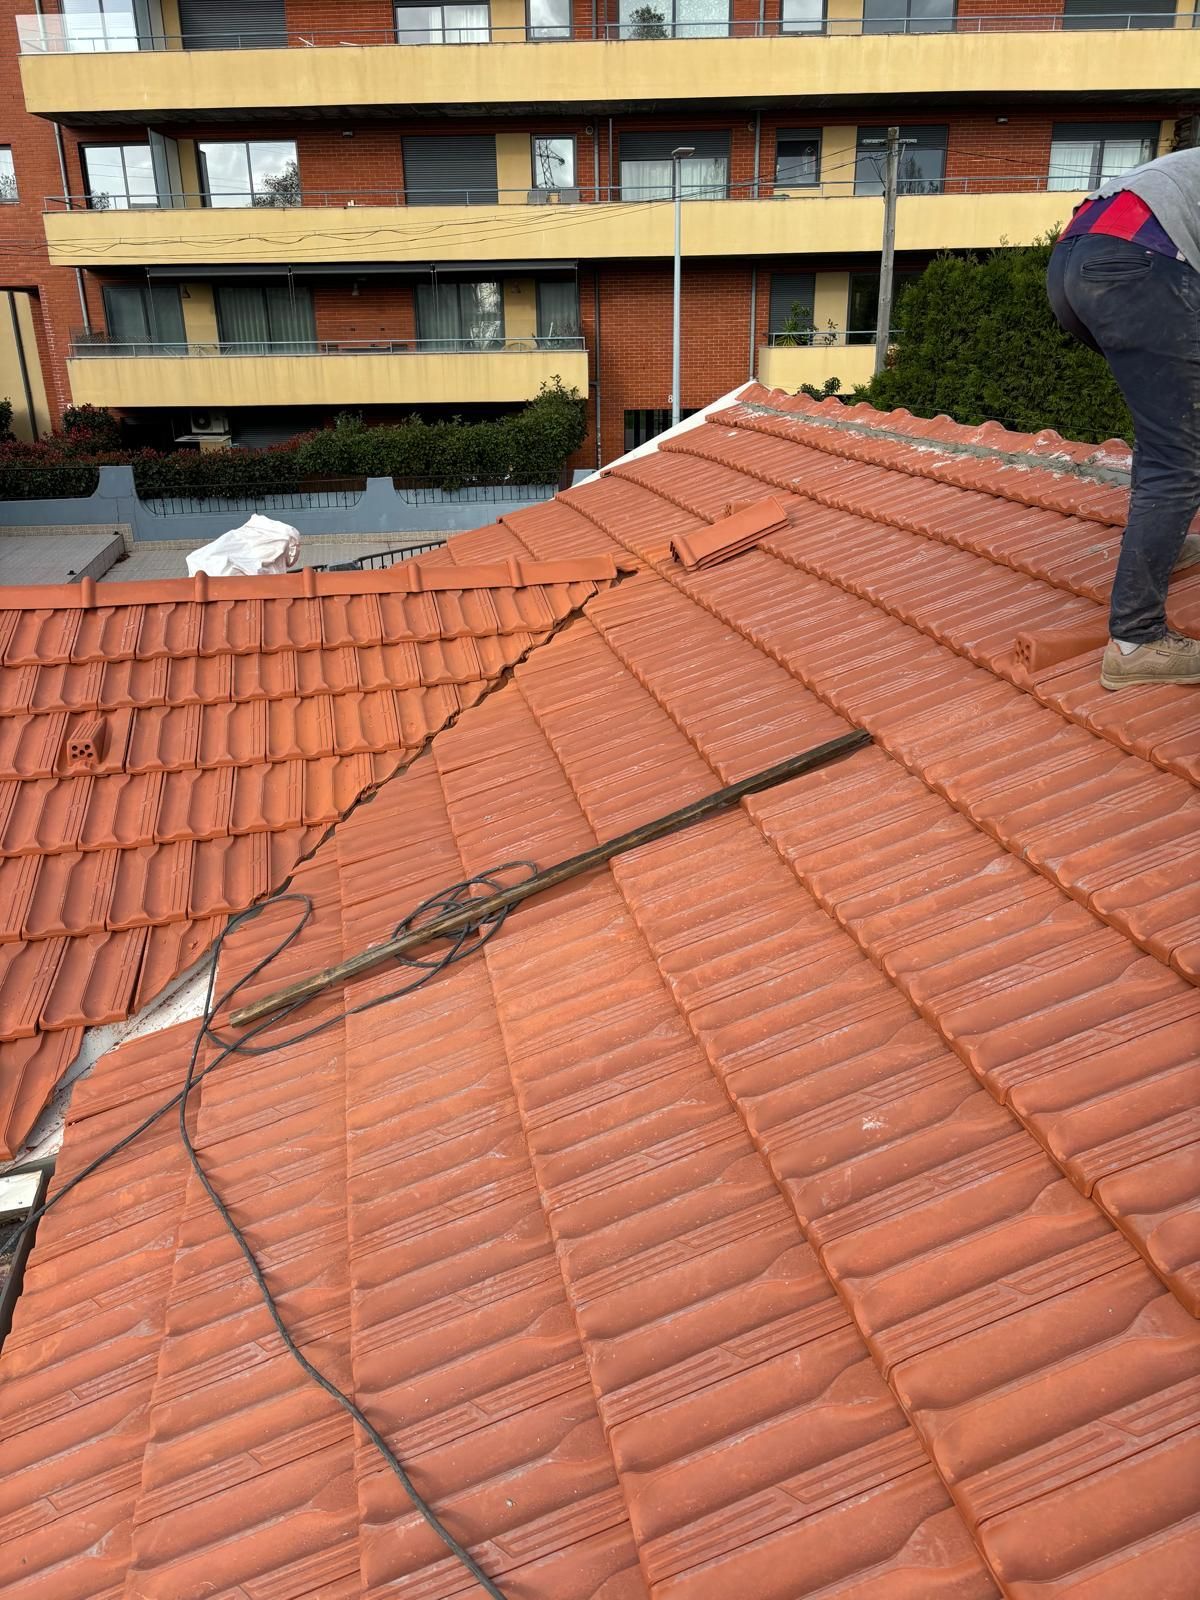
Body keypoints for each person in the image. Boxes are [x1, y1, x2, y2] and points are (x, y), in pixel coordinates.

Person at [1046, 146, 1200, 691]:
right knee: (1180, 457)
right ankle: (1137, 641)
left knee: (1168, 423)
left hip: (1073, 261)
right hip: (1137, 265)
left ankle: (1170, 541)